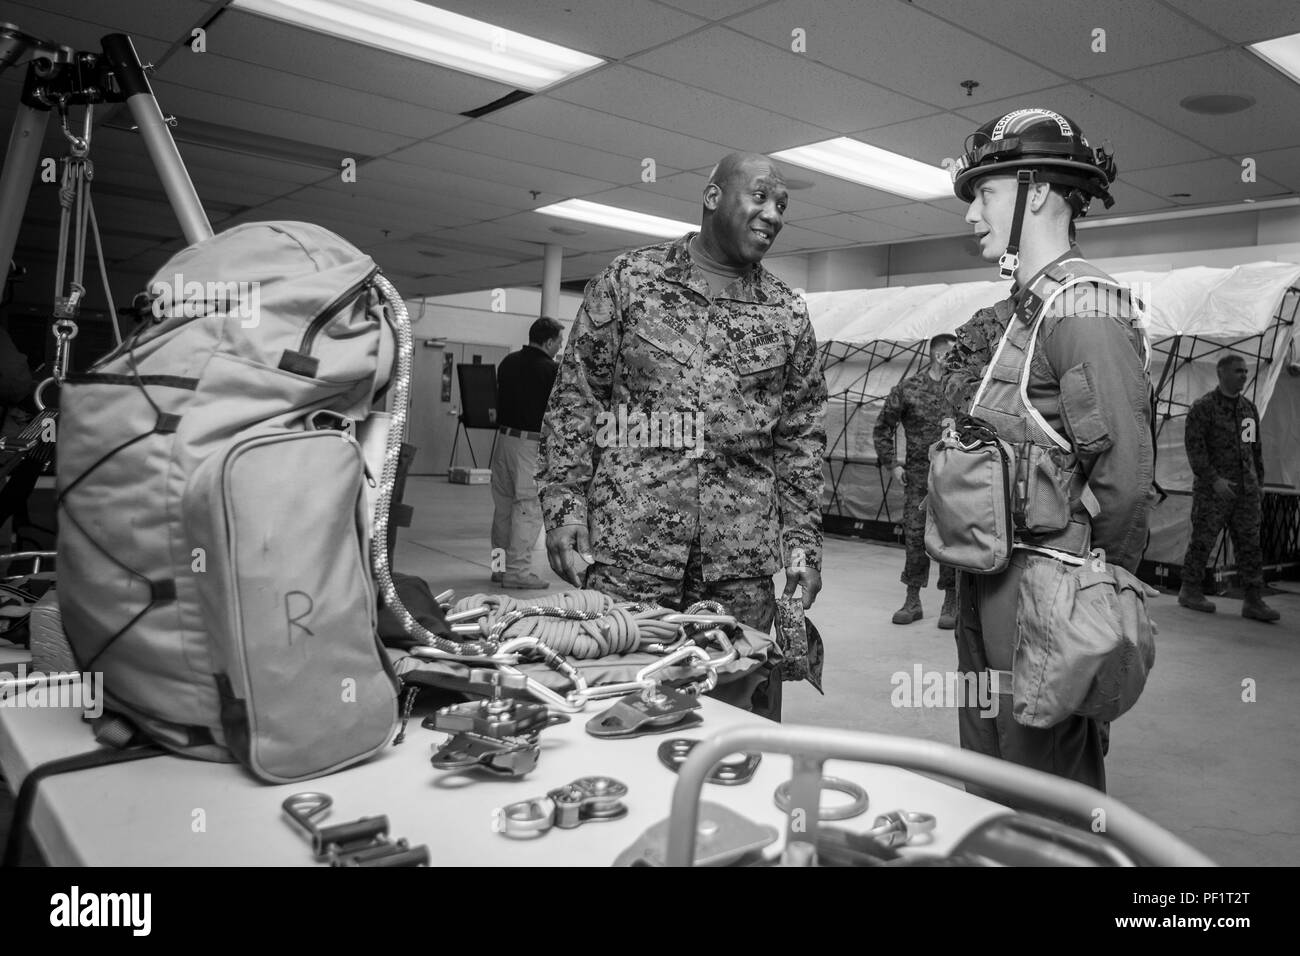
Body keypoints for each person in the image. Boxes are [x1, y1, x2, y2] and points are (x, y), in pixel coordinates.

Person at [536, 152, 827, 721]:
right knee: (613, 710)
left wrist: (803, 548)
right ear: (713, 197)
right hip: (631, 558)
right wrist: (563, 506)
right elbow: (576, 399)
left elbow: (801, 440)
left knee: (738, 719)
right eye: (761, 196)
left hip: (739, 569)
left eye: (783, 205)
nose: (773, 214)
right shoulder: (630, 281)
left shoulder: (787, 312)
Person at [939, 108, 1154, 794]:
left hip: (1046, 593)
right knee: (989, 771)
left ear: (1035, 193)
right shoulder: (1024, 309)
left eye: (987, 192)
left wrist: (1094, 610)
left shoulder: (1086, 311)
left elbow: (1124, 483)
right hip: (988, 581)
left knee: (1045, 790)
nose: (973, 213)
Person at [1177, 354, 1279, 621]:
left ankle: (1253, 600)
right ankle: (1190, 589)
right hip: (1214, 491)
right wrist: (1214, 480)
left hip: (1245, 492)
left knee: (1249, 545)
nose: (1244, 375)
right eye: (1238, 371)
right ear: (1221, 373)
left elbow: (1253, 450)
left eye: (1245, 372)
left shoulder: (1248, 410)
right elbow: (1195, 450)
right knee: (1203, 541)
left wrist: (1259, 483)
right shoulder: (1204, 408)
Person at [873, 332, 958, 627]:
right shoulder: (910, 388)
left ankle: (951, 601)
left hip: (955, 477)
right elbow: (883, 426)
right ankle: (912, 600)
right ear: (938, 355)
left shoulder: (962, 389)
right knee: (915, 537)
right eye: (952, 353)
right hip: (919, 477)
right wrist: (892, 465)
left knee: (951, 537)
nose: (956, 358)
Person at [490, 316, 562, 590]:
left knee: (503, 509)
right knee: (527, 509)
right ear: (548, 341)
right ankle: (518, 572)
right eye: (558, 342)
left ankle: (499, 569)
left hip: (503, 441)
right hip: (529, 446)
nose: (559, 347)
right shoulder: (550, 371)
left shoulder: (508, 362)